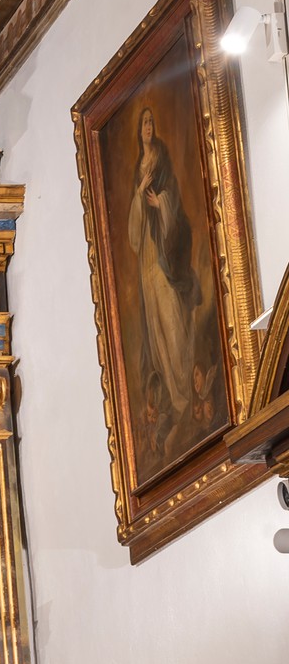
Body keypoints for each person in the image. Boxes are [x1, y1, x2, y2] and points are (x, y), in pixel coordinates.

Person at [125, 105, 219, 467]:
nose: (148, 127)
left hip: (164, 255)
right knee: (158, 333)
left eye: (151, 121)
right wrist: (140, 195)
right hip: (148, 259)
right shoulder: (140, 168)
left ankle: (183, 394)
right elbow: (134, 234)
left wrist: (159, 202)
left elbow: (174, 205)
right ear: (139, 131)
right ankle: (178, 402)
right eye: (144, 123)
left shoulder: (162, 161)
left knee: (174, 324)